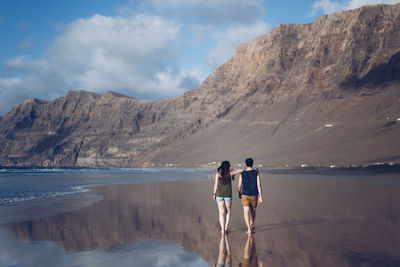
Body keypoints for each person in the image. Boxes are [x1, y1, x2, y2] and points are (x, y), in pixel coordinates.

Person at [213, 161, 242, 234]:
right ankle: (226, 227)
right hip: (228, 195)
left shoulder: (218, 174)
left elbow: (215, 185)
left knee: (221, 212)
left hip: (219, 195)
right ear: (228, 166)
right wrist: (236, 171)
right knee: (228, 211)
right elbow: (241, 170)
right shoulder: (230, 173)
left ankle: (222, 230)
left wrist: (214, 194)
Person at [238, 158, 263, 234]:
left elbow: (239, 185)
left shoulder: (242, 173)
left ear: (246, 164)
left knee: (246, 211)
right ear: (252, 163)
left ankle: (249, 228)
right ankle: (251, 225)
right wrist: (261, 196)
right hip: (254, 194)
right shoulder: (256, 173)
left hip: (245, 194)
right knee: (253, 211)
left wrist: (239, 193)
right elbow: (259, 185)